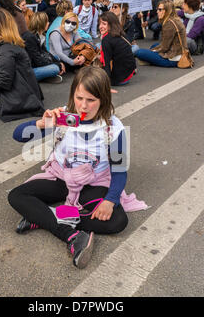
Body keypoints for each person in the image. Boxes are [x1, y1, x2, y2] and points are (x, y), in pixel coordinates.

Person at [8, 66, 147, 269]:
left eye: (91, 100)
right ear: (73, 93)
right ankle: (71, 235)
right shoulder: (62, 116)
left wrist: (110, 200)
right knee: (16, 196)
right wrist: (42, 123)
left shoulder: (114, 128)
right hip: (61, 177)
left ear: (103, 100)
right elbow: (18, 135)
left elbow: (119, 170)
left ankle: (42, 217)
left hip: (93, 183)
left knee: (118, 221)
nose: (83, 106)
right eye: (79, 97)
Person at [135, 0, 188, 67]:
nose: (157, 11)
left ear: (167, 11)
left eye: (160, 9)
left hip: (173, 59)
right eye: (157, 9)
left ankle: (150, 60)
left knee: (139, 52)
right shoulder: (174, 19)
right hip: (177, 51)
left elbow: (164, 47)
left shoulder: (169, 24)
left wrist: (152, 51)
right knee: (154, 46)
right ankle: (150, 59)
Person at [24, 11, 65, 83]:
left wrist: (58, 62)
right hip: (28, 71)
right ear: (41, 23)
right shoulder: (30, 38)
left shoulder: (38, 35)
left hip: (35, 64)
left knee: (56, 57)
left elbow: (45, 52)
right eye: (47, 21)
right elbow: (38, 61)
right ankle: (44, 77)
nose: (48, 23)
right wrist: (58, 65)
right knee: (55, 69)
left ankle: (45, 76)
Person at [98, 11, 136, 85]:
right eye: (100, 23)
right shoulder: (120, 33)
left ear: (111, 25)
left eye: (104, 24)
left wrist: (106, 85)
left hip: (119, 79)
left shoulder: (106, 40)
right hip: (129, 73)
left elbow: (107, 63)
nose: (100, 26)